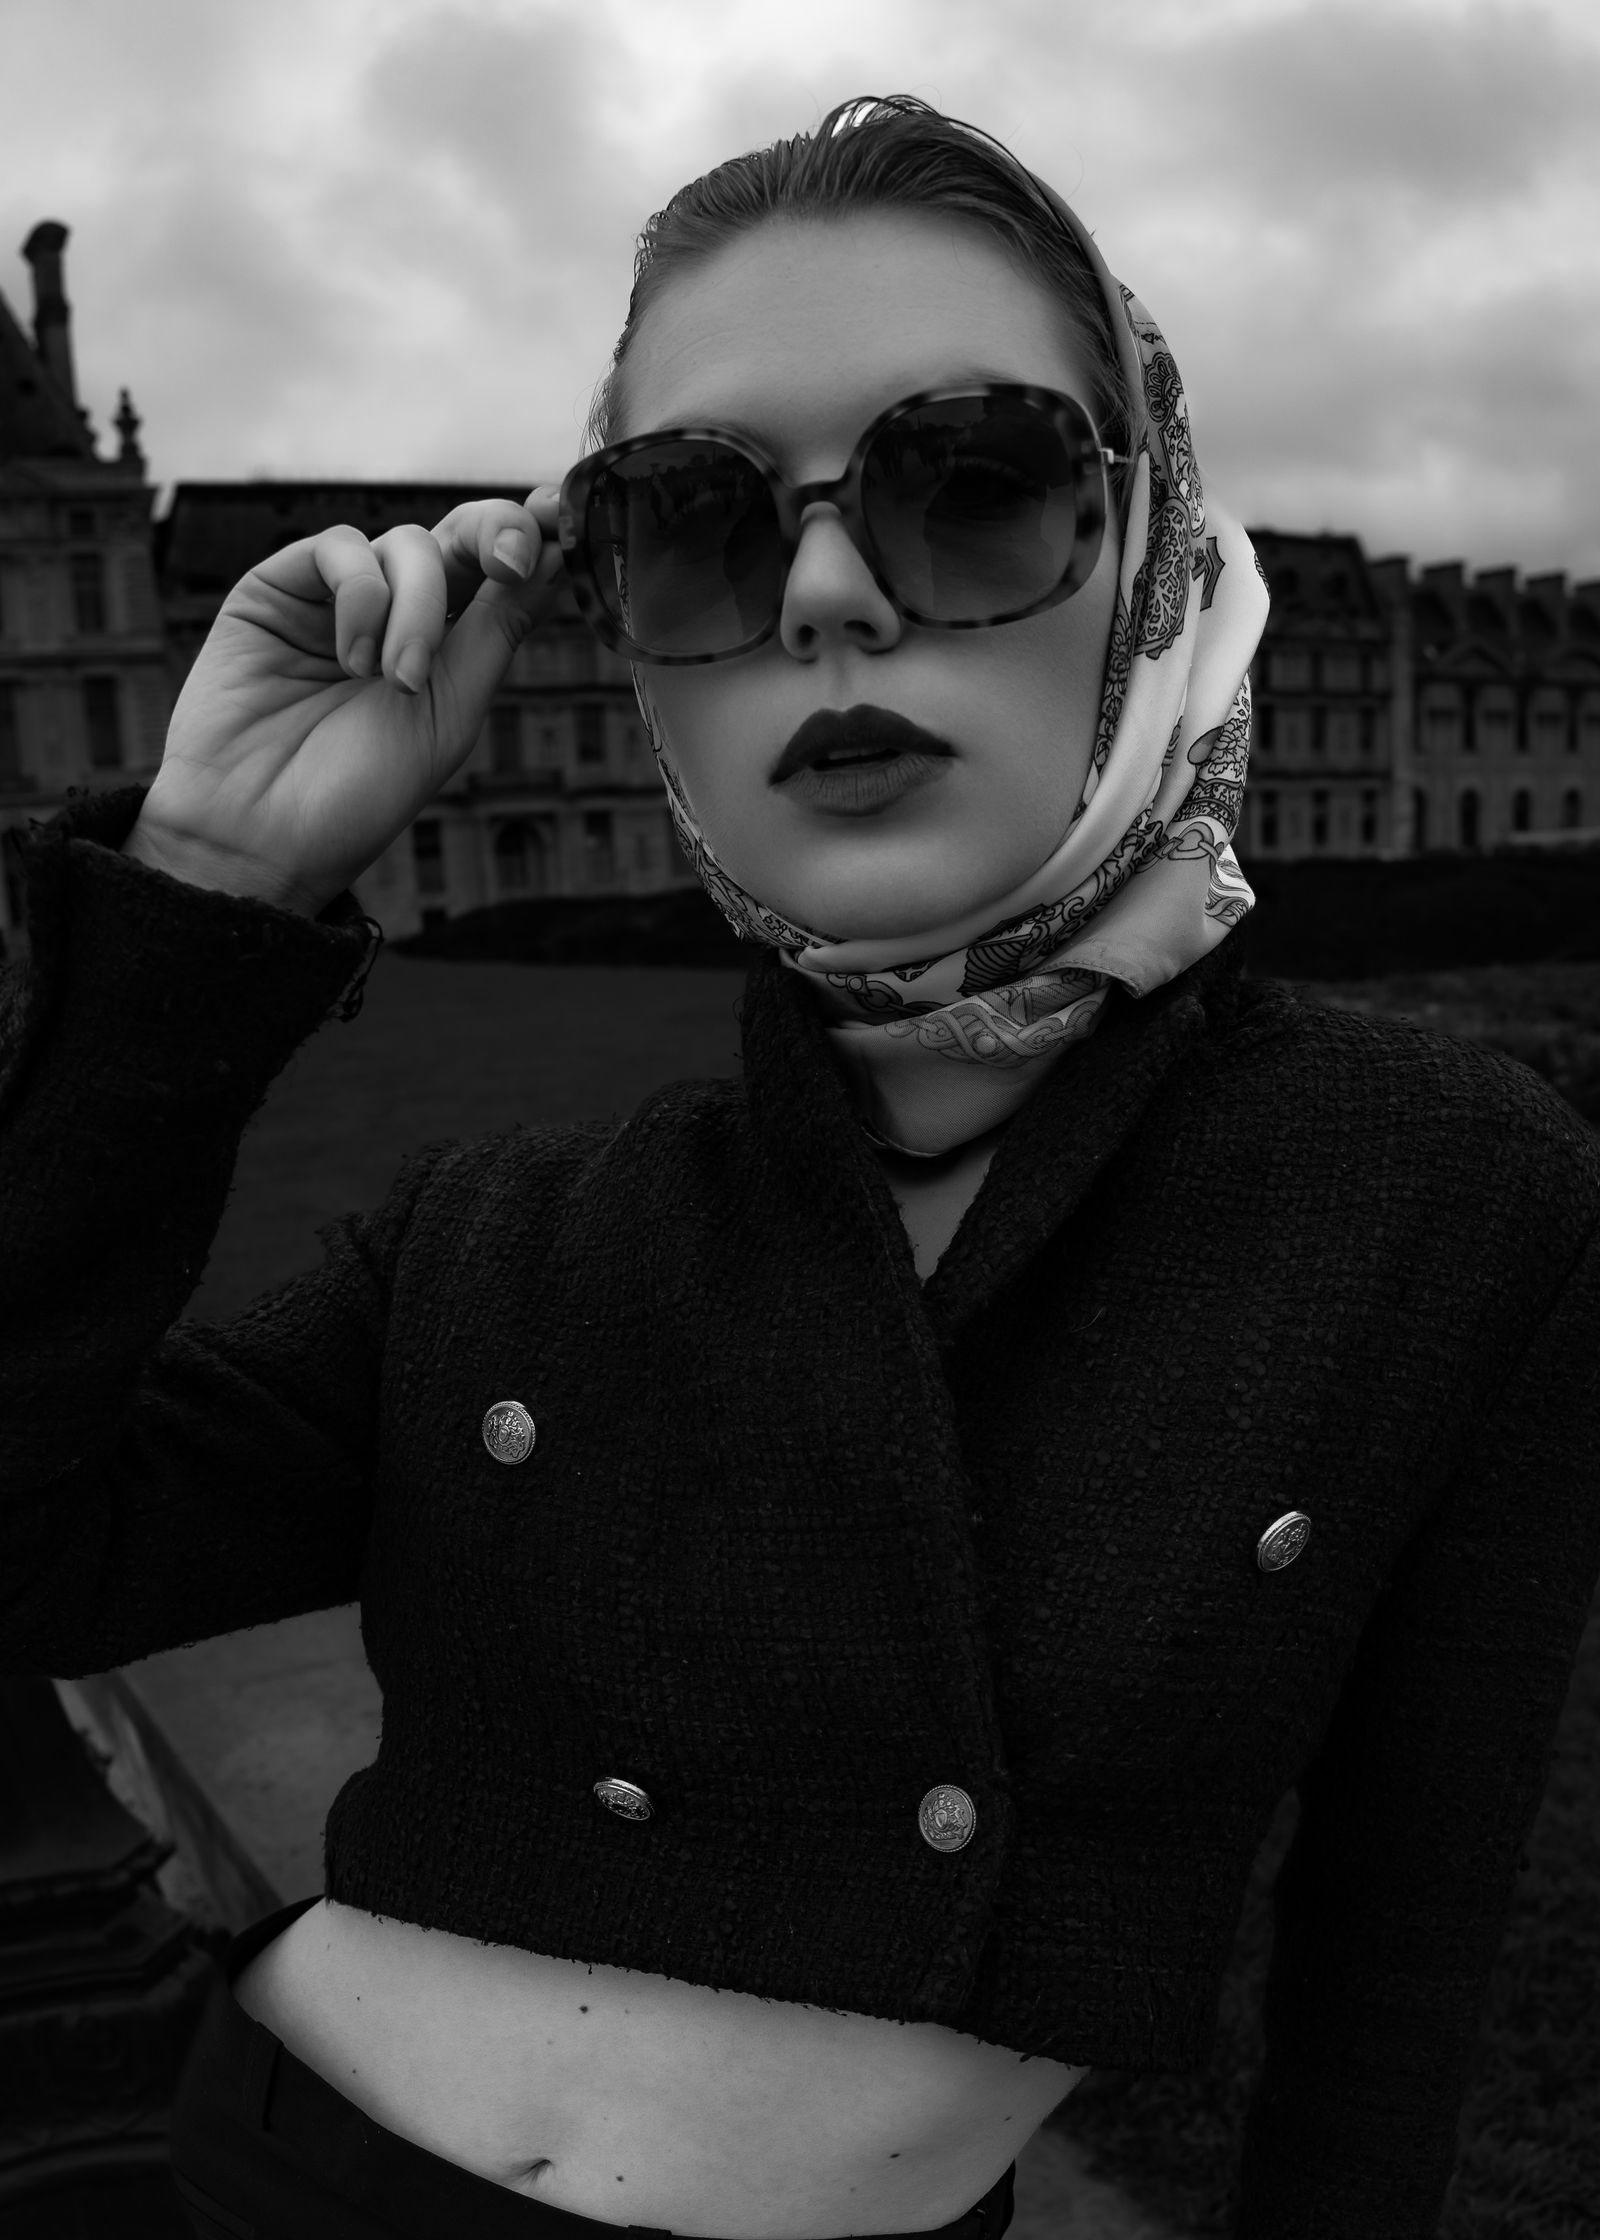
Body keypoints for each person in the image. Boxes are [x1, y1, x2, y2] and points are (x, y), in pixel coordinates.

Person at [2, 91, 1597, 2240]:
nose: (830, 593)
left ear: (1151, 538)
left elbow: (1401, 1922)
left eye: (972, 482)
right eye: (698, 516)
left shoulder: (1433, 1190)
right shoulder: (509, 1224)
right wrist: (200, 896)